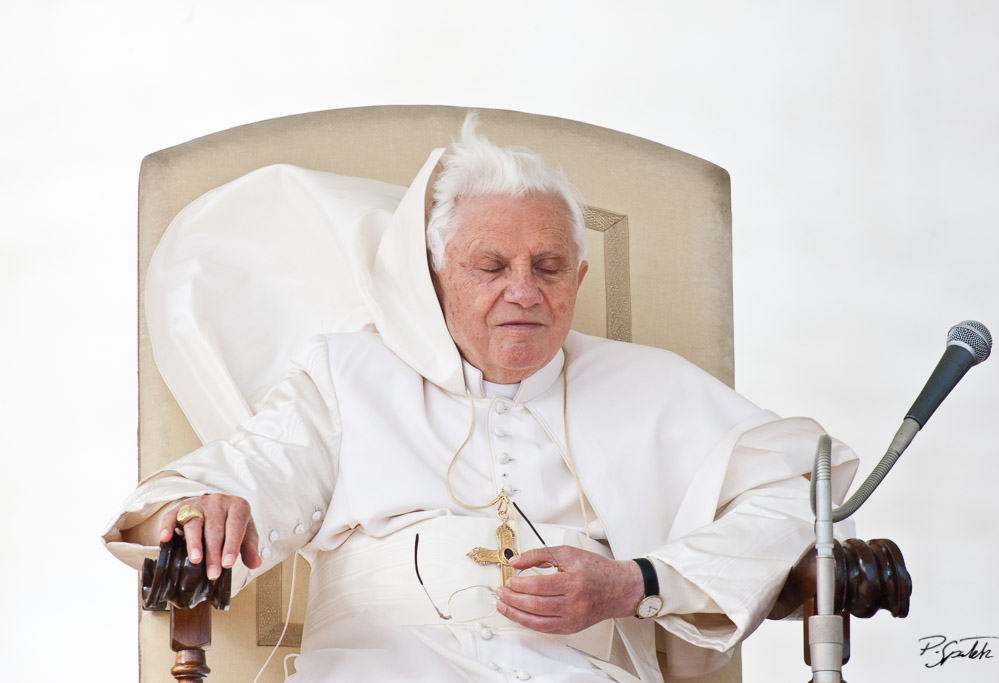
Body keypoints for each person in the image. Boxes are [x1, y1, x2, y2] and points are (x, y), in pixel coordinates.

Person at [104, 114, 858, 682]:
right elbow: (250, 475)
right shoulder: (350, 372)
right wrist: (205, 510)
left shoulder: (653, 386)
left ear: (581, 280)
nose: (523, 291)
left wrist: (639, 582)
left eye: (550, 265)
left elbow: (797, 496)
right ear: (433, 276)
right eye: (491, 265)